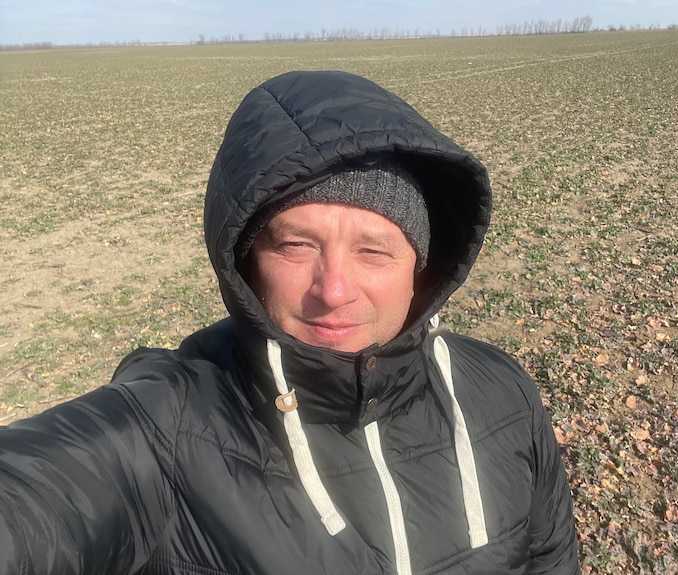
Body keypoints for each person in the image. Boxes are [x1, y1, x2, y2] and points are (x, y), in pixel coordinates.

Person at [0, 70, 580, 574]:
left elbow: (551, 559)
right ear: (247, 263)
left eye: (373, 251)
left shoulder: (500, 393)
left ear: (421, 271)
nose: (333, 290)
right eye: (296, 245)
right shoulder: (166, 427)